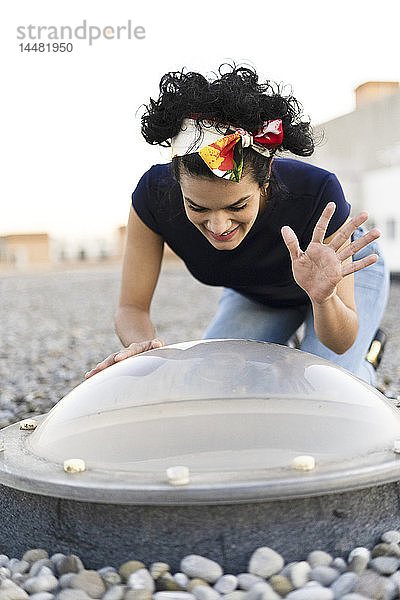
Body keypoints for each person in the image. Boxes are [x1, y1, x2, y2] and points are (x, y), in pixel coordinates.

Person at [85, 63, 389, 385]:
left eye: (238, 205)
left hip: (333, 272)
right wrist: (142, 349)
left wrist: (323, 297)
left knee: (326, 388)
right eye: (197, 206)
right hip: (257, 291)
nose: (218, 225)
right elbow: (132, 308)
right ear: (176, 184)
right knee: (211, 382)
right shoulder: (153, 196)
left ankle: (364, 363)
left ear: (266, 179)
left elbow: (340, 340)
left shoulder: (317, 194)